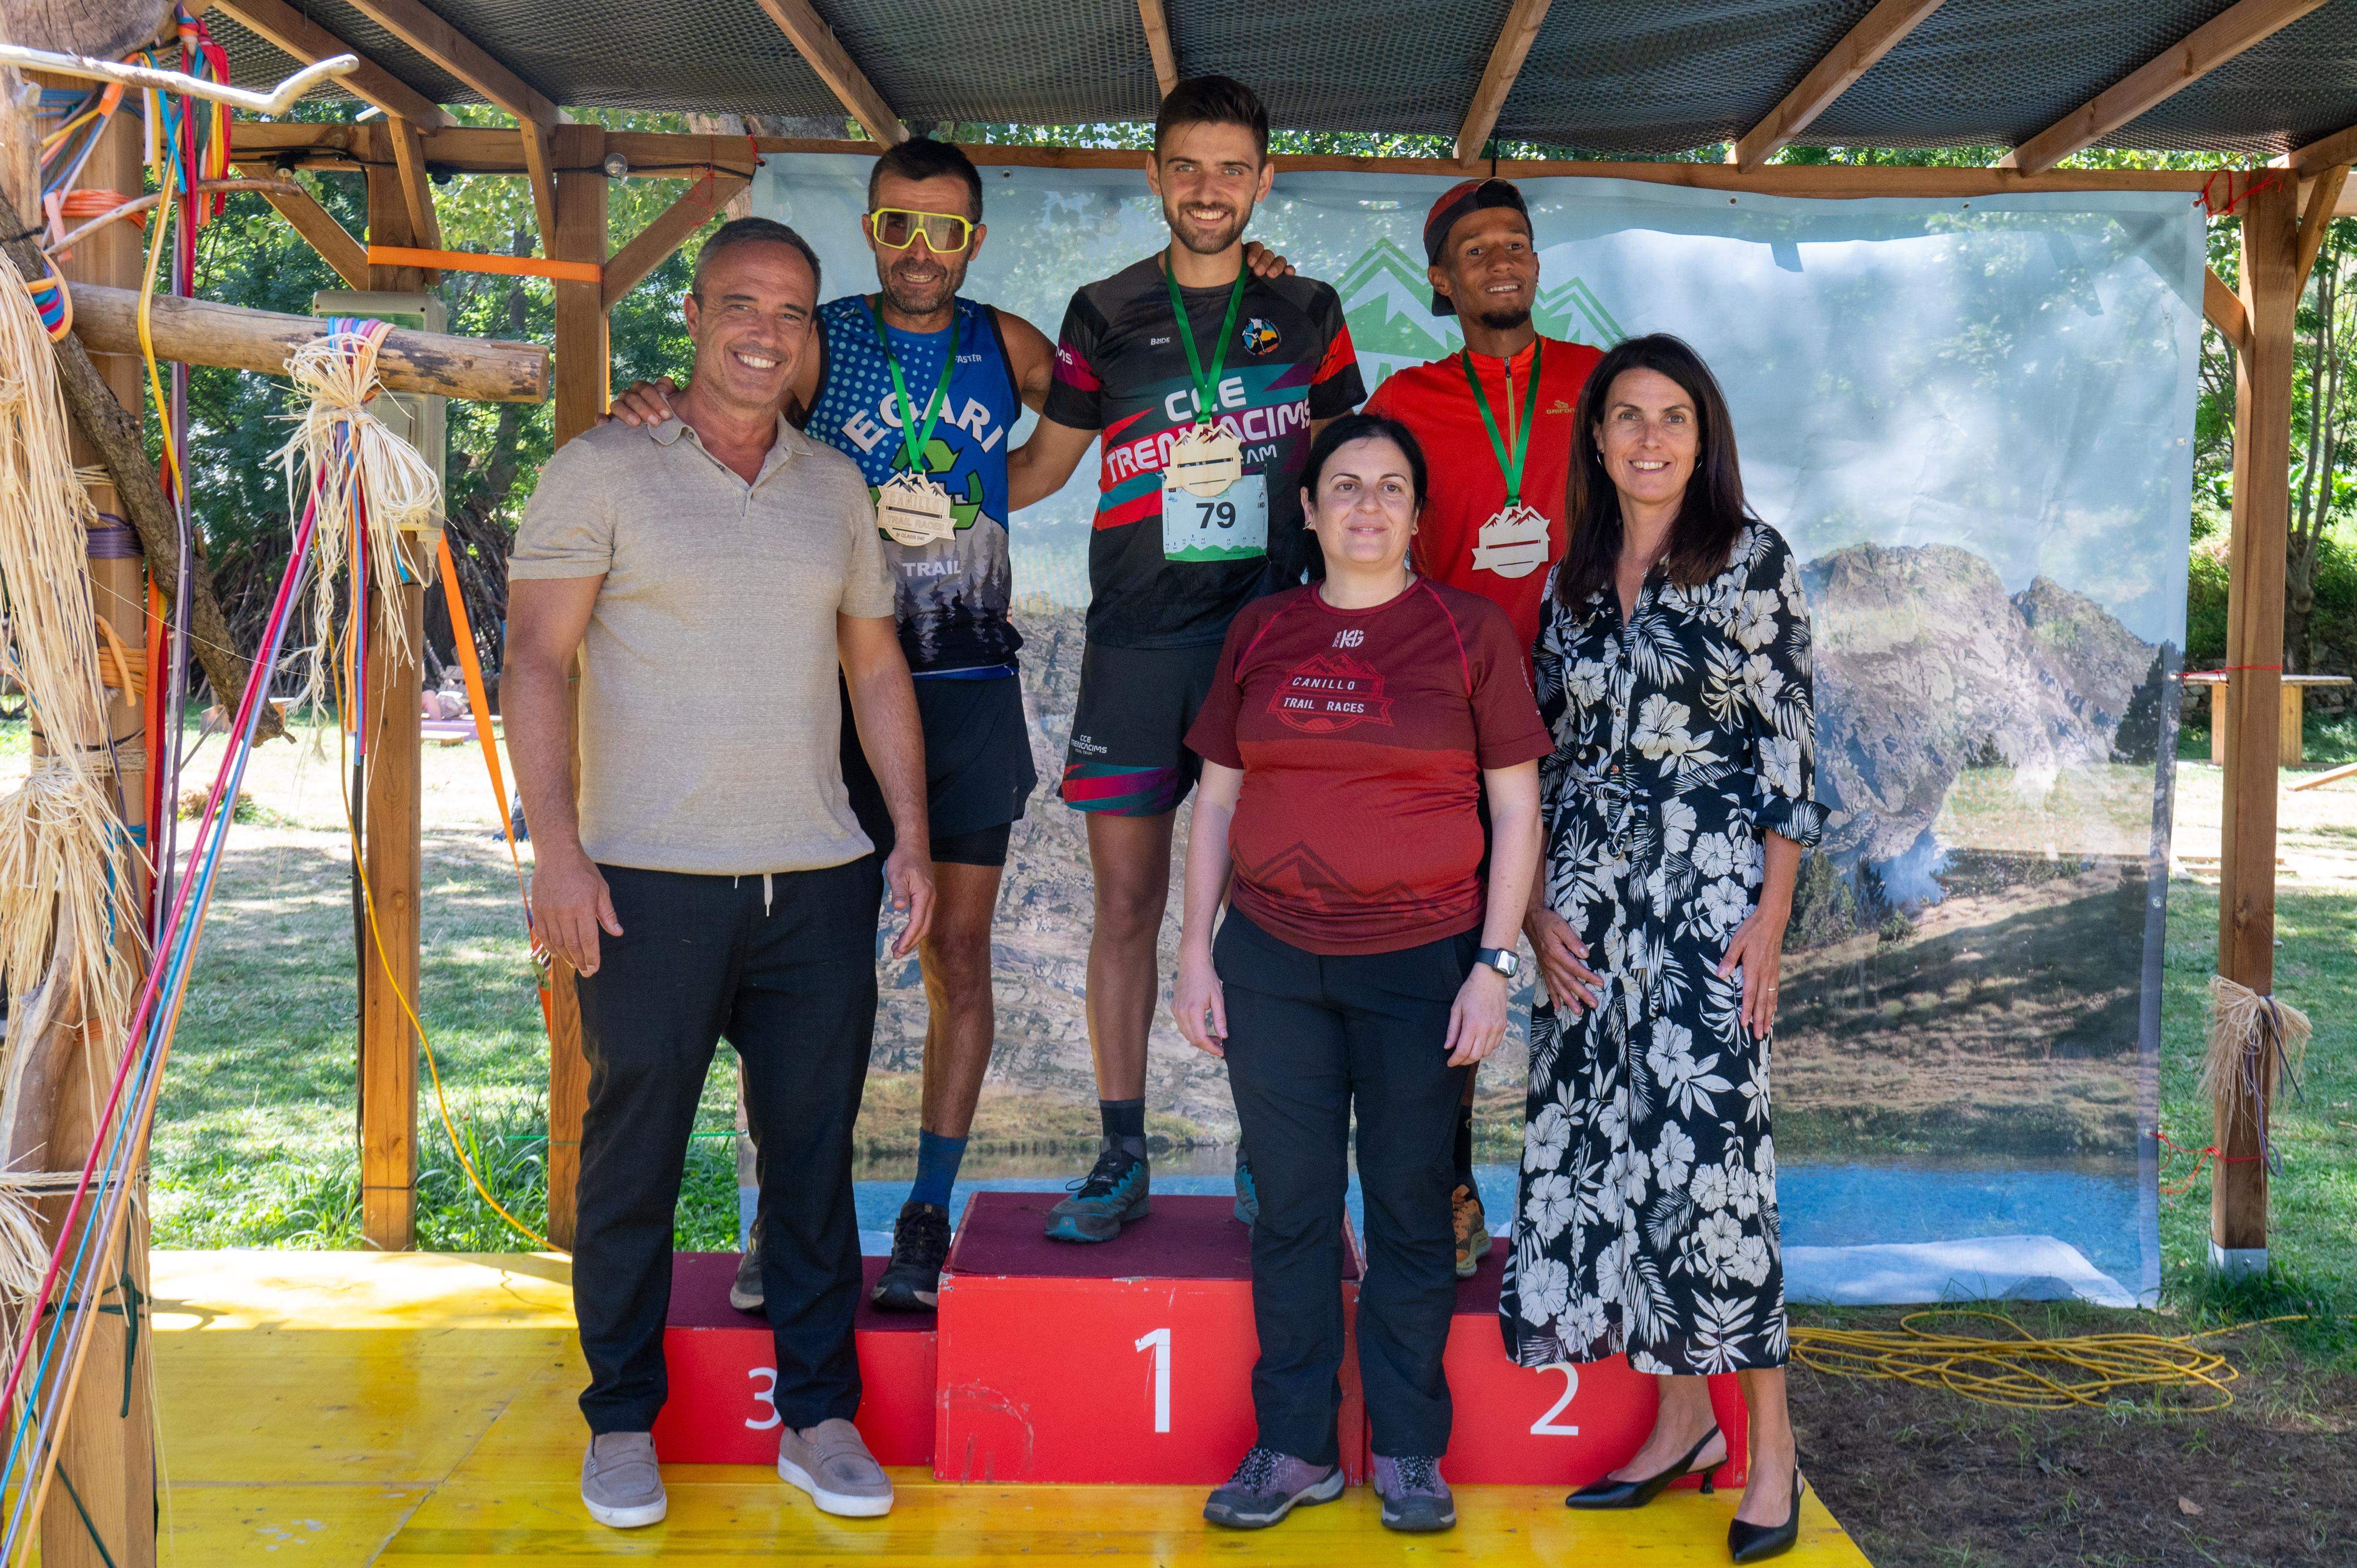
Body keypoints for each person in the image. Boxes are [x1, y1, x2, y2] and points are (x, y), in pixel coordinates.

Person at [505, 217, 935, 1529]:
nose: (767, 330)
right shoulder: (602, 467)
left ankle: (817, 1418)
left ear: (814, 336)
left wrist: (908, 834)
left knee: (812, 1164)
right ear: (691, 315)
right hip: (645, 879)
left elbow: (873, 666)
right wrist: (557, 850)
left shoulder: (833, 487)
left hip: (816, 877)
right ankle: (621, 1425)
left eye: (794, 312)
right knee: (632, 1162)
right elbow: (534, 660)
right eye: (741, 303)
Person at [609, 137, 1057, 1314]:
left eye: (945, 227)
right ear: (871, 229)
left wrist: (986, 503)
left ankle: (924, 1214)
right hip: (822, 698)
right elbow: (732, 407)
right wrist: (653, 400)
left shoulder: (1009, 345)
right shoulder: (824, 337)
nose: (920, 247)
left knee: (957, 956)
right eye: (899, 224)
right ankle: (782, 1221)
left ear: (974, 238)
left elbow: (1057, 444)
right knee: (788, 983)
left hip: (961, 690)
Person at [1172, 414, 1550, 1534]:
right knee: (1289, 1210)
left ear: (1417, 514)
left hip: (1421, 967)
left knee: (1407, 1211)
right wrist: (1195, 948)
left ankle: (1408, 1452)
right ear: (1307, 509)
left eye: (1390, 488)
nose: (1367, 507)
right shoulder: (1263, 628)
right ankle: (1292, 1447)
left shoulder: (1467, 630)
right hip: (1274, 962)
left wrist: (1491, 962)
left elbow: (1516, 806)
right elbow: (1218, 800)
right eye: (1344, 486)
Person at [1006, 75, 1364, 1243]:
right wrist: (883, 481)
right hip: (1137, 648)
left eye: (1231, 169)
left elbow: (1352, 473)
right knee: (1129, 904)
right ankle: (1122, 1153)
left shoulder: (1308, 309)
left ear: (1265, 182)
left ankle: (1266, 1151)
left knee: (1266, 908)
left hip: (1268, 647)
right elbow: (1038, 471)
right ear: (1154, 176)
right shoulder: (1101, 311)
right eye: (1186, 166)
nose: (1207, 190)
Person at [1505, 335, 1823, 1565]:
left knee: (1713, 1173)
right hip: (1585, 910)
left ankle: (1772, 1452)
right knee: (1611, 1160)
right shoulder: (1570, 581)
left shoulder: (1753, 562)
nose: (1648, 438)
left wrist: (1769, 921)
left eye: (1672, 417)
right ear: (1595, 440)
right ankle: (1680, 1424)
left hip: (1705, 907)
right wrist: (1532, 913)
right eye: (1626, 417)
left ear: (1704, 437)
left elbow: (1789, 754)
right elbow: (1534, 760)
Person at [1362, 176, 1606, 1280]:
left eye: (1518, 241)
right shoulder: (1409, 397)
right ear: (1441, 281)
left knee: (1588, 956)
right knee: (1455, 961)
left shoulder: (1598, 383)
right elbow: (1383, 553)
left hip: (1594, 711)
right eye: (1477, 247)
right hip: (1464, 717)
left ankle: (1583, 1199)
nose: (1503, 257)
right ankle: (1446, 1178)